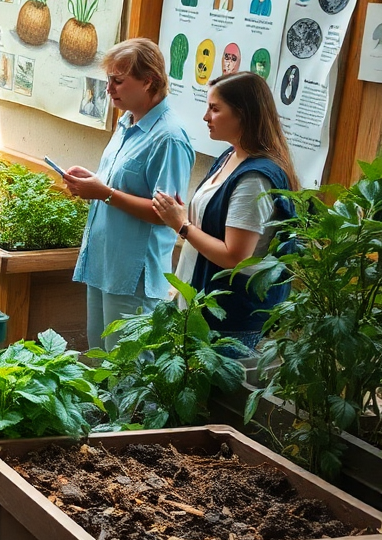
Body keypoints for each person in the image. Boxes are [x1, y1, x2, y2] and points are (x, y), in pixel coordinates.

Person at [63, 38, 194, 350]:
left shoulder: (169, 137)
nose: (109, 89)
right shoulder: (127, 120)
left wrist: (104, 192)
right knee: (100, 359)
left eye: (118, 81)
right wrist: (93, 182)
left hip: (134, 276)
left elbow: (166, 215)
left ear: (148, 81)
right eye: (108, 80)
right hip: (104, 264)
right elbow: (123, 184)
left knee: (127, 368)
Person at [153, 71, 297, 347]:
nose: (206, 117)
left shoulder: (254, 179)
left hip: (229, 321)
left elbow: (234, 256)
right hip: (202, 305)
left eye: (215, 109)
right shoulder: (231, 155)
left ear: (243, 115)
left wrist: (181, 225)